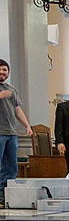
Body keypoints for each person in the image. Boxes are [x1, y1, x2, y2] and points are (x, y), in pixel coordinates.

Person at [0, 59, 33, 207]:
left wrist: (27, 125)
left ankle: (5, 197)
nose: (2, 72)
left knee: (11, 167)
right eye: (0, 69)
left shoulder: (11, 89)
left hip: (11, 132)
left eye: (5, 70)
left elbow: (17, 110)